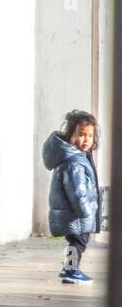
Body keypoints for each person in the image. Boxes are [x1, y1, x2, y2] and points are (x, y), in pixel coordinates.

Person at [43, 110, 102, 285]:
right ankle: (71, 271)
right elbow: (77, 191)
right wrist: (86, 210)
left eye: (90, 136)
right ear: (71, 136)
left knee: (76, 243)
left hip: (73, 214)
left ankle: (69, 270)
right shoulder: (74, 162)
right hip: (77, 214)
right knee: (79, 243)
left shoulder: (77, 158)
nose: (86, 140)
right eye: (81, 135)